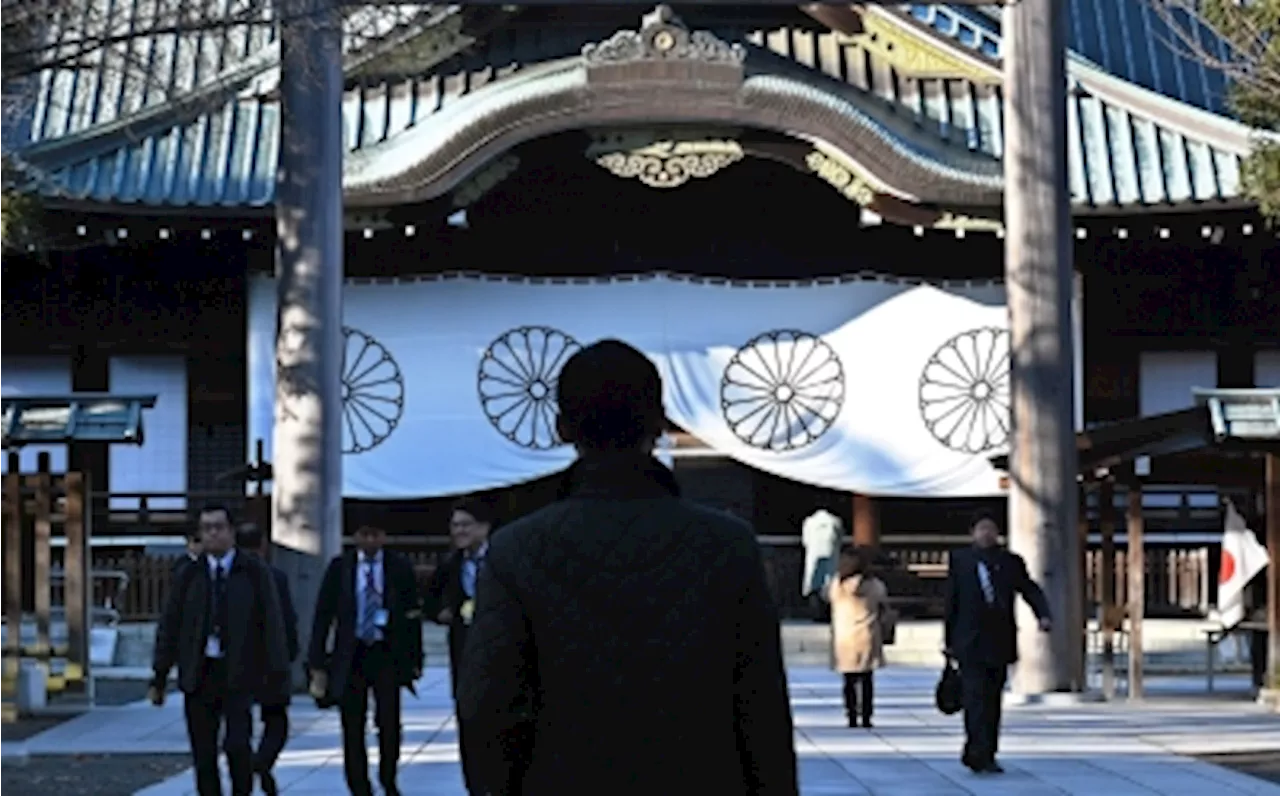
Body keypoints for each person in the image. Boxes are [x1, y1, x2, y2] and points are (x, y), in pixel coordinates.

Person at [457, 339, 798, 796]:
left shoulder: (515, 551)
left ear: (561, 427)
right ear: (659, 424)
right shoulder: (727, 546)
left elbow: (488, 711)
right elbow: (762, 711)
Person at [149, 505, 291, 796]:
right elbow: (170, 624)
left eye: (219, 527)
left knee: (238, 745)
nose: (213, 534)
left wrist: (276, 676)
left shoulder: (253, 572)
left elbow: (272, 624)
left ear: (231, 531)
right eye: (207, 528)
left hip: (240, 671)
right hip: (199, 672)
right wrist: (160, 674)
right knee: (204, 754)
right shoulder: (189, 574)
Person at [308, 525, 424, 796]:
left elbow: (411, 616)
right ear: (355, 537)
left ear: (384, 536)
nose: (370, 540)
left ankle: (388, 774)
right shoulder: (340, 567)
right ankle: (358, 782)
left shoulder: (398, 567)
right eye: (364, 534)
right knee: (352, 721)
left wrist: (414, 657)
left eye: (376, 534)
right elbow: (323, 614)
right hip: (352, 652)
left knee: (389, 720)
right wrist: (317, 659)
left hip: (386, 651)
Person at [943, 512, 1052, 775]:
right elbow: (952, 601)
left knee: (992, 700)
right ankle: (975, 749)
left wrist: (1043, 614)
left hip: (999, 638)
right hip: (968, 639)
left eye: (991, 529)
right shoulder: (961, 561)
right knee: (973, 698)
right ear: (973, 532)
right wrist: (948, 639)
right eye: (981, 528)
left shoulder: (1010, 562)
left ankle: (988, 751)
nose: (986, 534)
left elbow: (1029, 588)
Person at [424, 496, 494, 796]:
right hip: (463, 648)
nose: (459, 531)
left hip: (497, 648)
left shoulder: (502, 559)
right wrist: (443, 613)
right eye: (455, 525)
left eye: (466, 524)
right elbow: (430, 603)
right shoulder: (450, 564)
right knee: (467, 715)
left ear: (484, 527)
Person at [235, 524, 299, 796]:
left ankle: (252, 762)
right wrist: (289, 652)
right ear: (263, 545)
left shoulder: (233, 576)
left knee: (242, 719)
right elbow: (287, 618)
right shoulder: (275, 576)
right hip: (271, 656)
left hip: (240, 659)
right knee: (276, 720)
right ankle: (262, 761)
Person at [828, 547, 889, 728]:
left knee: (849, 680)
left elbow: (827, 597)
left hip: (844, 637)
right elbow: (882, 602)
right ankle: (867, 715)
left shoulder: (837, 584)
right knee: (867, 678)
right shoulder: (873, 585)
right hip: (866, 633)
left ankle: (851, 714)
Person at [801, 507, 843, 622]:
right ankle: (828, 613)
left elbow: (805, 540)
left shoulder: (809, 521)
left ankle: (816, 614)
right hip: (831, 553)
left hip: (814, 554)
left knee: (813, 583)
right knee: (830, 582)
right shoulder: (835, 521)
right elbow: (840, 538)